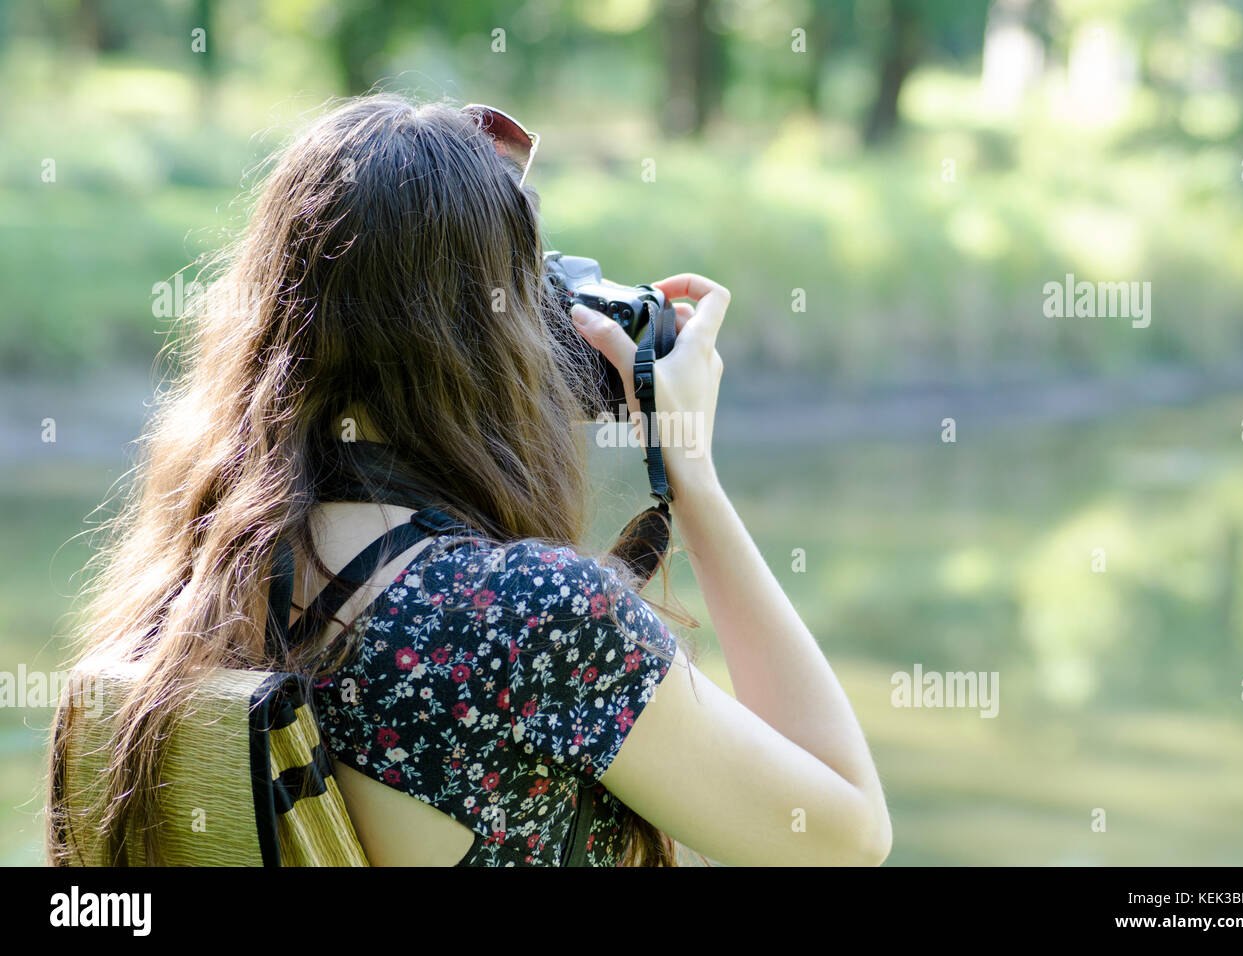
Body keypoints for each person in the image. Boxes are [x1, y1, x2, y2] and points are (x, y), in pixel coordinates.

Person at [47, 94, 891, 867]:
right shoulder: (524, 621)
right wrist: (691, 473)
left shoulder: (185, 598)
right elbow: (846, 836)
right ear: (497, 344)